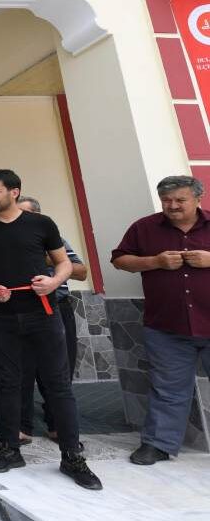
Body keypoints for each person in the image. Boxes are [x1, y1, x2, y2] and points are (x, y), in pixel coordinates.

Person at [0, 169, 101, 490]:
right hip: (1, 317)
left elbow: (65, 262)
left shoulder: (42, 224)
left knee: (58, 386)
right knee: (8, 384)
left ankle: (72, 456)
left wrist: (53, 281)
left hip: (44, 315)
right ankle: (9, 448)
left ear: (14, 192)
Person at [111, 175, 210, 466]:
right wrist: (155, 261)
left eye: (180, 200)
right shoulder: (144, 228)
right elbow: (119, 260)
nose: (173, 205)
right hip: (167, 327)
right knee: (167, 389)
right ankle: (157, 445)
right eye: (167, 200)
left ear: (197, 199)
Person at [16, 195, 88, 445]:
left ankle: (58, 426)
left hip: (57, 309)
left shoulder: (53, 240)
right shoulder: (4, 239)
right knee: (20, 371)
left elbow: (81, 271)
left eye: (25, 214)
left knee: (59, 370)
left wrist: (48, 259)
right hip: (18, 313)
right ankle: (21, 427)